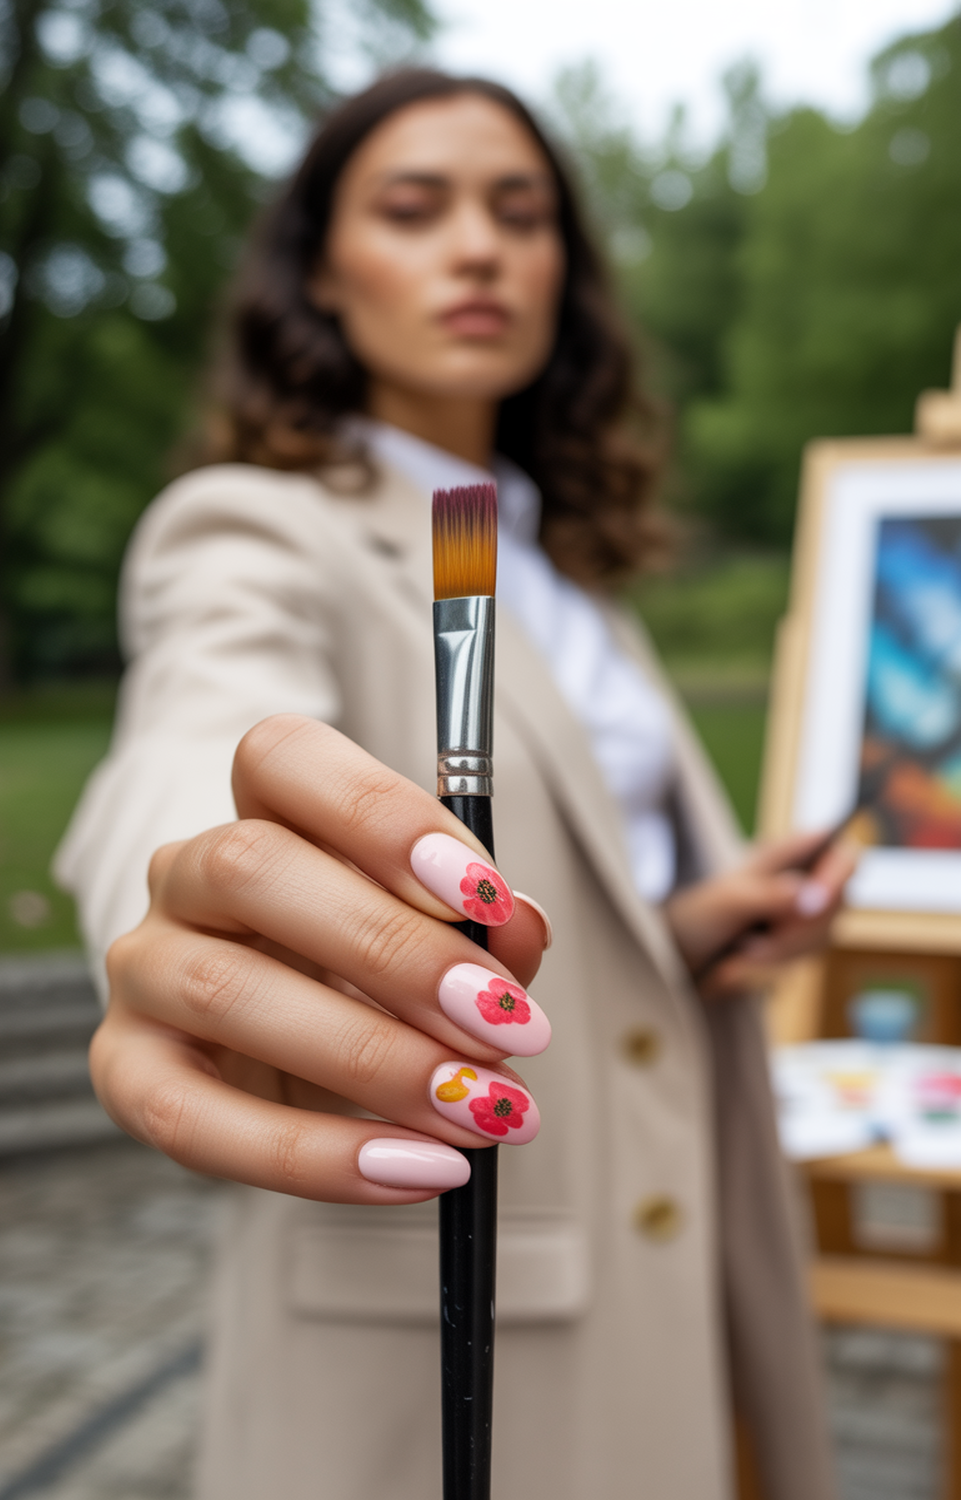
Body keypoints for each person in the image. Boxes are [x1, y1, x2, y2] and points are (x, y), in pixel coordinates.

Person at [56, 68, 854, 1500]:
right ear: (321, 274)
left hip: (676, 1286)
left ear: (564, 271)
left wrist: (682, 933)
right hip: (426, 1359)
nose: (478, 247)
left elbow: (561, 925)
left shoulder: (569, 575)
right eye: (415, 209)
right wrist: (194, 907)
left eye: (520, 214)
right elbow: (197, 734)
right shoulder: (253, 528)